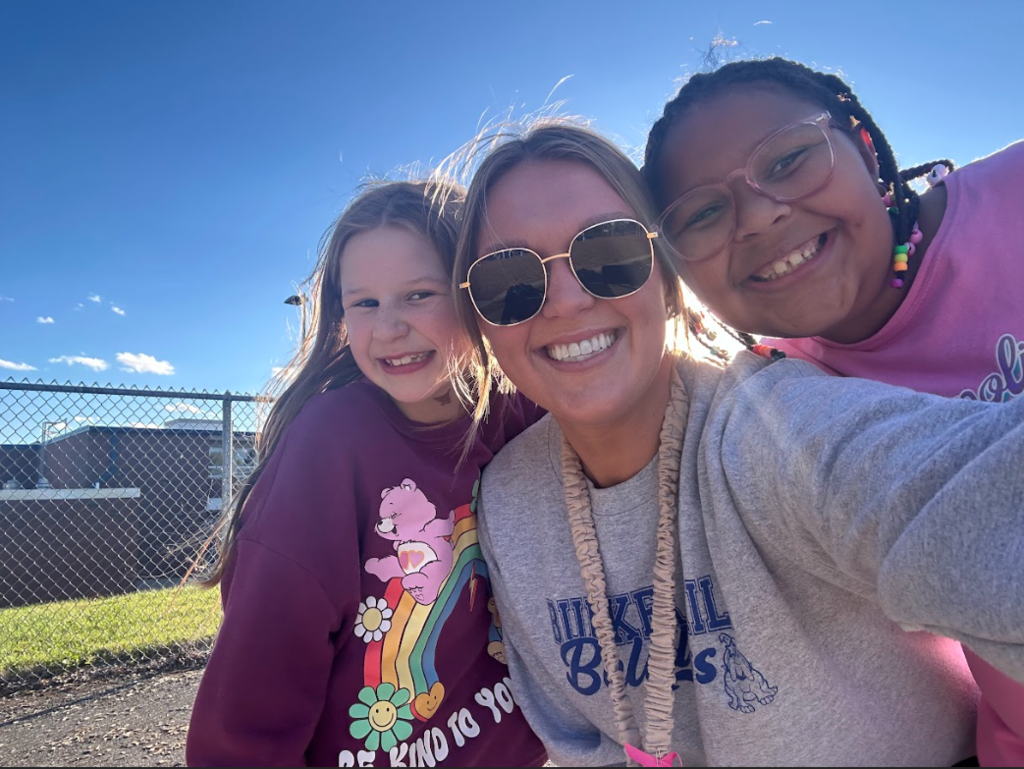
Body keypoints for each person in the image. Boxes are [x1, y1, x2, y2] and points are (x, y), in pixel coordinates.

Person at [452, 119, 1024, 767]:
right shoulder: (506, 504)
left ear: (668, 281)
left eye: (608, 255)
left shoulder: (771, 428)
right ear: (478, 318)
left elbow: (958, 495)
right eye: (510, 281)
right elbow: (584, 743)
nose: (564, 300)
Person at [642, 57, 1024, 765]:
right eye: (702, 213)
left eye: (787, 160)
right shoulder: (785, 405)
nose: (759, 215)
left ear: (867, 148)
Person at [186, 180, 546, 767]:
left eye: (419, 294)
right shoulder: (329, 445)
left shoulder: (526, 413)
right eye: (365, 303)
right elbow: (246, 716)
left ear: (475, 292)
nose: (388, 328)